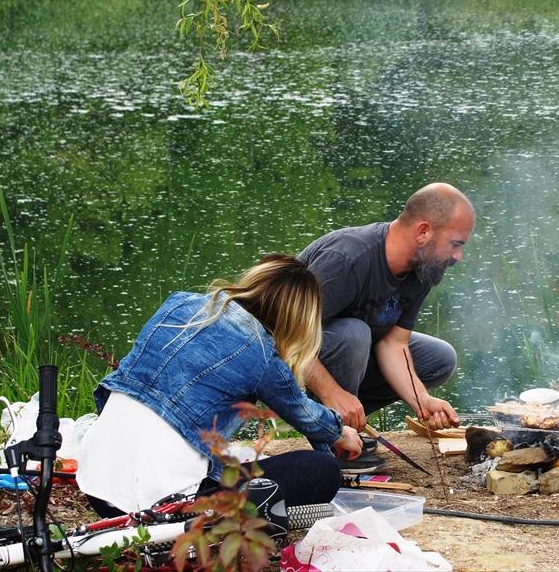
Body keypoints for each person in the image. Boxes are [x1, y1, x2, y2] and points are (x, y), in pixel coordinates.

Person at [76, 254, 363, 519]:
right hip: (159, 503)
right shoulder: (262, 355)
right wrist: (340, 433)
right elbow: (305, 415)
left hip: (97, 485)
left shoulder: (179, 304)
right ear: (299, 321)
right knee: (322, 471)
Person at [298, 183, 473, 471]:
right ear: (423, 232)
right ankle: (332, 437)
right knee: (355, 333)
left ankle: (347, 422)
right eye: (455, 244)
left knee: (440, 358)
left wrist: (421, 401)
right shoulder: (347, 258)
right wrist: (332, 393)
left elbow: (394, 343)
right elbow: (282, 336)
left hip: (342, 354)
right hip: (285, 358)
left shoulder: (421, 269)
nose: (458, 256)